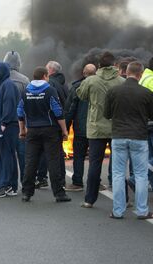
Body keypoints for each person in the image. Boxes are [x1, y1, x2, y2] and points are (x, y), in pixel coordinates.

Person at [104, 61, 153, 219]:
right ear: (140, 74)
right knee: (140, 175)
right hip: (139, 137)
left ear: (125, 72)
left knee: (118, 174)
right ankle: (142, 210)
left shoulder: (113, 91)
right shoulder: (146, 93)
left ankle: (118, 211)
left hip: (118, 136)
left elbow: (107, 114)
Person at [77, 51, 124, 208]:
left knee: (94, 164)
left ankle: (89, 200)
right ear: (114, 65)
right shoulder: (121, 81)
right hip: (116, 128)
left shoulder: (91, 80)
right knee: (118, 165)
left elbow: (81, 95)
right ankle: (124, 199)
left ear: (99, 65)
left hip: (96, 129)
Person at [18, 66, 71, 202]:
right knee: (53, 162)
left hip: (32, 131)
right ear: (45, 76)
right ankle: (59, 194)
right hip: (50, 131)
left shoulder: (25, 91)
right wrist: (64, 131)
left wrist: (22, 130)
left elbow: (19, 112)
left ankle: (26, 193)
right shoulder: (50, 90)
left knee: (30, 162)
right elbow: (58, 111)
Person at [0, 51, 30, 193]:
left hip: (0, 123)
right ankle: (25, 183)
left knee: (0, 154)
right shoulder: (25, 80)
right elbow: (28, 102)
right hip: (20, 123)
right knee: (22, 155)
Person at [65, 64, 97, 191]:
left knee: (78, 157)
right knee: (95, 159)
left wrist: (65, 129)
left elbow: (69, 110)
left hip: (80, 129)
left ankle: (77, 183)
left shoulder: (77, 87)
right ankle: (96, 183)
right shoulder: (100, 86)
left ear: (84, 73)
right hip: (96, 129)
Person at [0, 62, 21, 198]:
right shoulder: (1, 86)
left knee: (6, 156)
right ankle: (11, 186)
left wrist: (3, 123)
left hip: (8, 127)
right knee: (7, 156)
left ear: (3, 71)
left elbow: (9, 105)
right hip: (3, 127)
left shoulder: (8, 85)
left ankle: (6, 185)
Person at [138, 57, 153, 192]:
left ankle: (148, 182)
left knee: (148, 155)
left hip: (144, 123)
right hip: (151, 123)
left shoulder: (145, 77)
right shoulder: (151, 80)